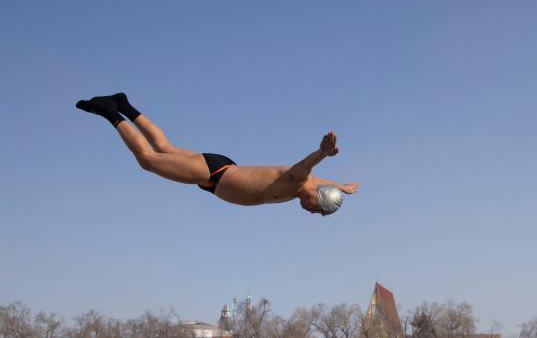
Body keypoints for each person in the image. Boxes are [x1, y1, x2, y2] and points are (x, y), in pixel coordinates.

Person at [76, 94, 359, 215]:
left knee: (164, 147)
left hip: (217, 173)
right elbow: (306, 167)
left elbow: (322, 181)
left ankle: (125, 104)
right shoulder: (297, 181)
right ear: (317, 197)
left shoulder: (308, 188)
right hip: (214, 174)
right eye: (317, 209)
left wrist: (343, 187)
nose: (312, 212)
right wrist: (322, 152)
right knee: (148, 160)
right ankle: (109, 111)